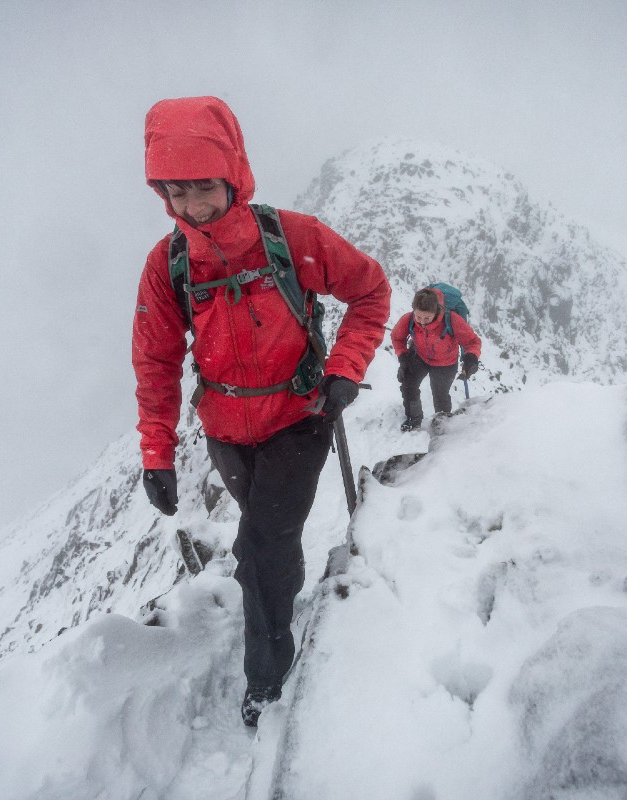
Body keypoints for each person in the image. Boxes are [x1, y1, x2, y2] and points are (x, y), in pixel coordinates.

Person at [132, 97, 391, 726]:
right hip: (224, 431)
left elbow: (372, 291)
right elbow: (156, 363)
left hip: (301, 420)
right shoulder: (167, 268)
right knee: (270, 535)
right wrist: (156, 454)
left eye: (204, 187)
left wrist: (345, 370)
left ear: (233, 174)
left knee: (262, 544)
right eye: (176, 190)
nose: (192, 205)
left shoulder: (291, 239)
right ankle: (282, 587)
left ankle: (267, 678)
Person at [391, 287, 481, 431]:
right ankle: (414, 419)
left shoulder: (451, 320)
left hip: (446, 363)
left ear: (437, 311)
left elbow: (472, 341)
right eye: (418, 317)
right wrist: (403, 357)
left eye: (427, 318)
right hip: (419, 357)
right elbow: (397, 337)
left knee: (440, 394)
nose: (422, 322)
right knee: (408, 385)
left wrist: (471, 357)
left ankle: (442, 422)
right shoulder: (409, 319)